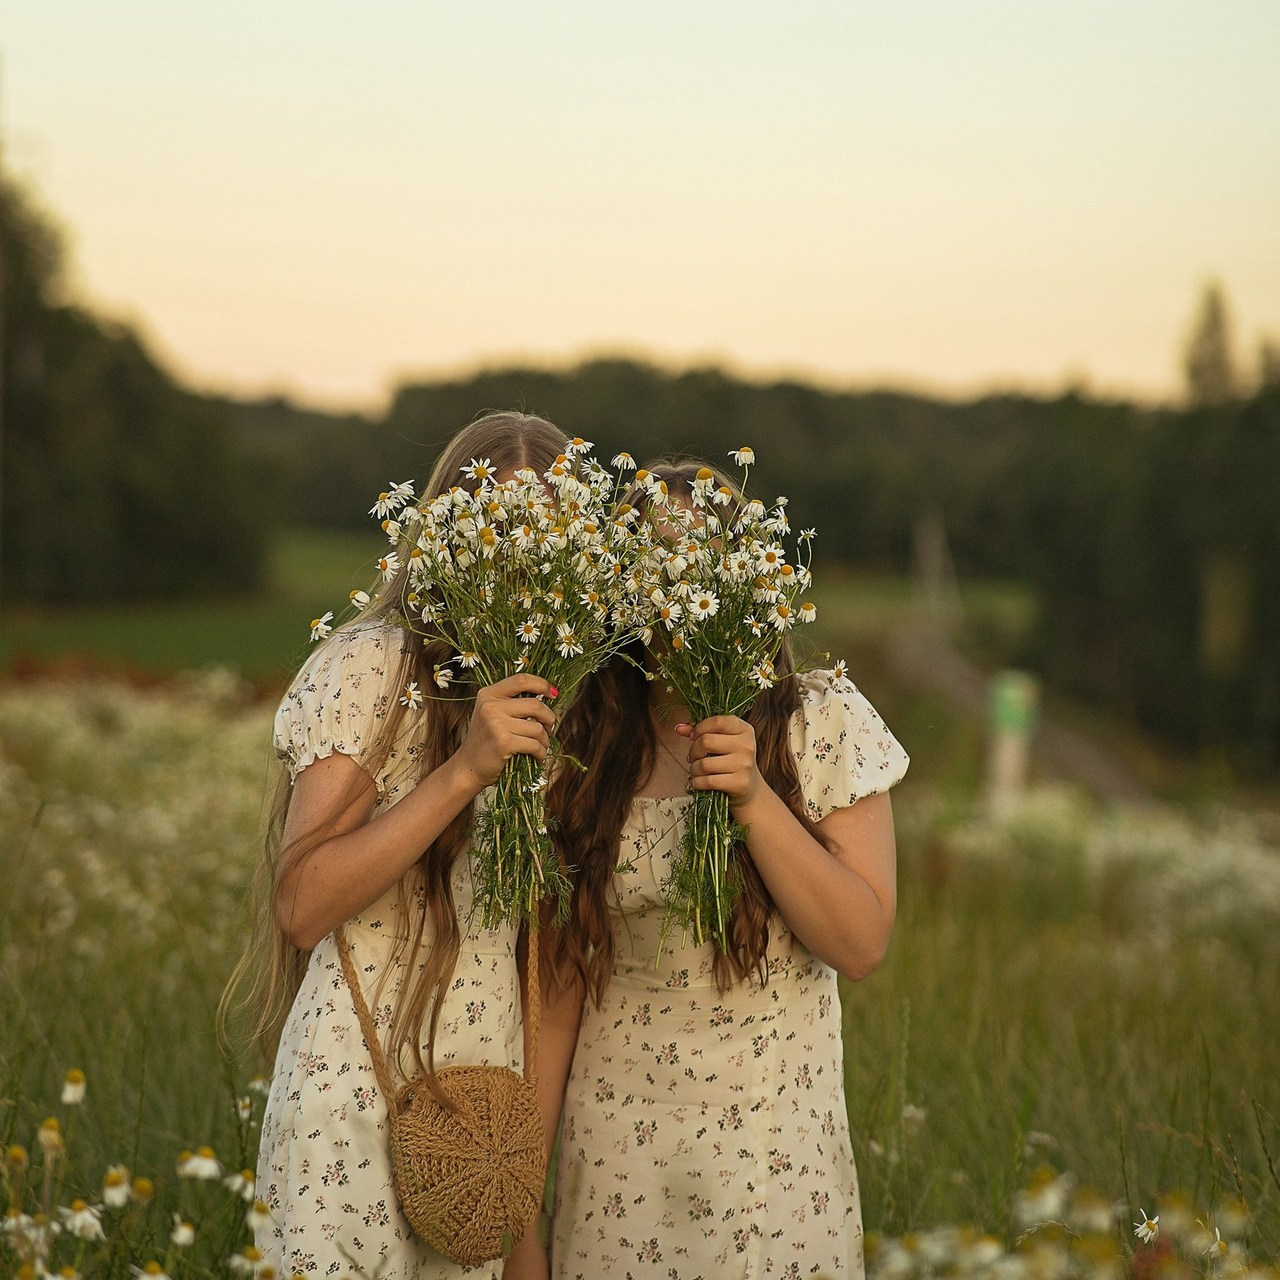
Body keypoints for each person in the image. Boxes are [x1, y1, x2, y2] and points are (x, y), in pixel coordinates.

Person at [539, 460, 910, 1280]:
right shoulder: (591, 745)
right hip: (615, 1168)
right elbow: (560, 991)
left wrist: (751, 796)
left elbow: (860, 942)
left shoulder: (816, 718)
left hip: (770, 1169)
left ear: (744, 578)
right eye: (649, 566)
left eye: (698, 561)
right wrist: (522, 1227)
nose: (671, 592)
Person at [230, 411, 567, 1280]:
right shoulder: (375, 666)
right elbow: (302, 905)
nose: (519, 558)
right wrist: (462, 773)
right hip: (354, 1095)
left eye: (550, 534)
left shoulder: (561, 697)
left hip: (482, 1122)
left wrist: (527, 1209)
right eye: (496, 527)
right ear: (447, 530)